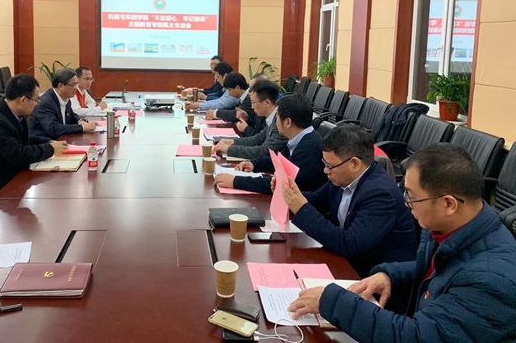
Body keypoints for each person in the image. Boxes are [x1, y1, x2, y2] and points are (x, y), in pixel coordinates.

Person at [287, 144, 516, 343]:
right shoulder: (450, 227)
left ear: (448, 204)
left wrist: (333, 302)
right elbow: (439, 271)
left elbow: (416, 337)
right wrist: (390, 275)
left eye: (412, 196)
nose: (406, 204)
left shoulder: (490, 280)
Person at [281, 125, 416, 277]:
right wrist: (288, 194)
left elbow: (349, 244)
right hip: (344, 261)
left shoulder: (380, 194)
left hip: (371, 275)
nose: (325, 171)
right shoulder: (344, 178)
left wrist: (301, 208)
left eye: (330, 166)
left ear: (354, 164)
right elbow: (317, 200)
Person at [0, 74, 68, 205]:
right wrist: (50, 149)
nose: (37, 104)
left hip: (6, 176)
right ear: (23, 100)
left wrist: (47, 142)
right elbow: (17, 154)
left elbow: (22, 139)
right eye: (36, 100)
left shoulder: (14, 114)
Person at [214, 94, 325, 194]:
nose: (275, 122)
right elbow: (278, 160)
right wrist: (253, 164)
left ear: (288, 122)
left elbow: (282, 184)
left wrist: (236, 181)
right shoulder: (298, 137)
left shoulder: (309, 148)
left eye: (277, 117)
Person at [211, 80, 287, 159]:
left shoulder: (281, 122)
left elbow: (263, 152)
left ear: (267, 103)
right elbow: (257, 139)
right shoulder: (272, 118)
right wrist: (232, 142)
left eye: (253, 103)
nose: (252, 107)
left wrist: (229, 149)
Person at [29, 68, 96, 140]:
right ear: (60, 86)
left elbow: (72, 115)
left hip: (61, 139)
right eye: (73, 84)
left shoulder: (66, 98)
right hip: (45, 142)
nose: (76, 88)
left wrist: (81, 121)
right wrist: (83, 127)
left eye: (77, 84)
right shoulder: (46, 102)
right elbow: (53, 128)